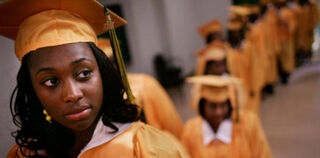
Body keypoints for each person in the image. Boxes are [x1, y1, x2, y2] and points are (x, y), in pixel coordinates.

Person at [1, 0, 190, 157]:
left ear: (103, 74)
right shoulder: (23, 154)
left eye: (84, 74)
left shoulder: (146, 149)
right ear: (32, 90)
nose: (73, 94)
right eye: (51, 81)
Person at [97, 38, 184, 139]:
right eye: (105, 66)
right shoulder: (96, 98)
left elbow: (171, 123)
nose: (112, 69)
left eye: (113, 62)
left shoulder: (145, 83)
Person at [181, 75, 272, 158]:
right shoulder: (191, 129)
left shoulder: (249, 123)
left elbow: (263, 155)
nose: (219, 112)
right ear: (202, 107)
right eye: (213, 106)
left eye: (223, 105)